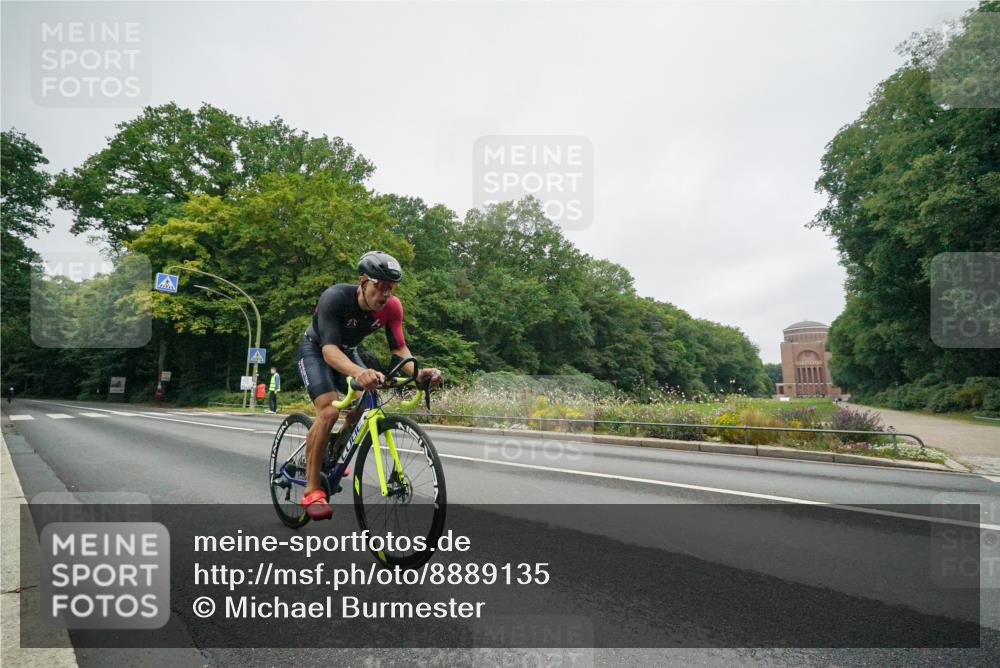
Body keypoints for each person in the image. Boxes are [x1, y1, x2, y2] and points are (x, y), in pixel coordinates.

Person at [296, 251, 442, 520]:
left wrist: (419, 373)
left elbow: (399, 348)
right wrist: (359, 372)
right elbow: (329, 351)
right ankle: (312, 489)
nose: (386, 294)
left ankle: (335, 448)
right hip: (317, 350)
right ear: (363, 281)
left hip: (348, 351)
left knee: (367, 401)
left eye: (392, 287)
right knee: (328, 412)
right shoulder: (335, 297)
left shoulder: (393, 308)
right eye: (381, 286)